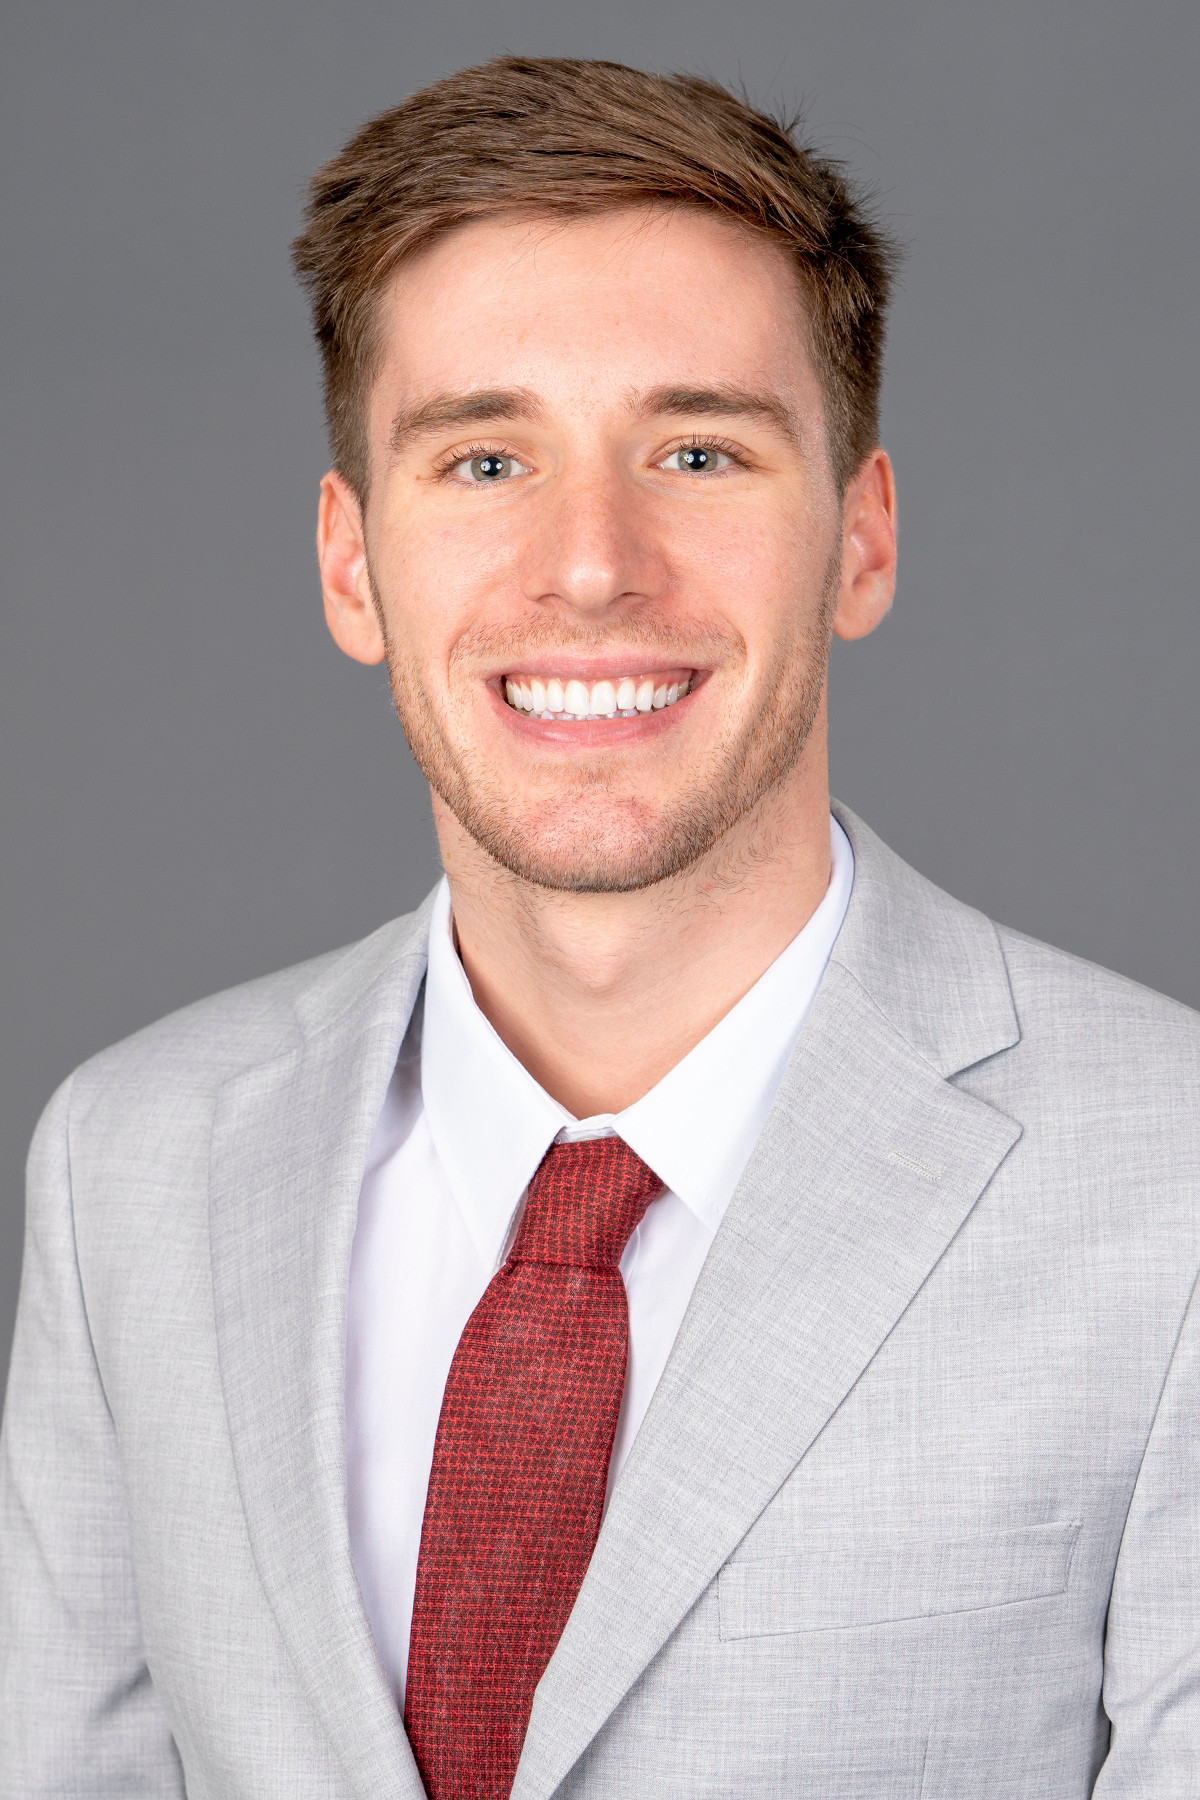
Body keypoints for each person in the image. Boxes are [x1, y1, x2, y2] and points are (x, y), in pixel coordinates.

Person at [2, 53, 1198, 1800]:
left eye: (698, 451)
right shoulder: (132, 1166)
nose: (588, 562)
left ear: (862, 542)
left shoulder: (1172, 1184)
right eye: (485, 458)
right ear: (352, 565)